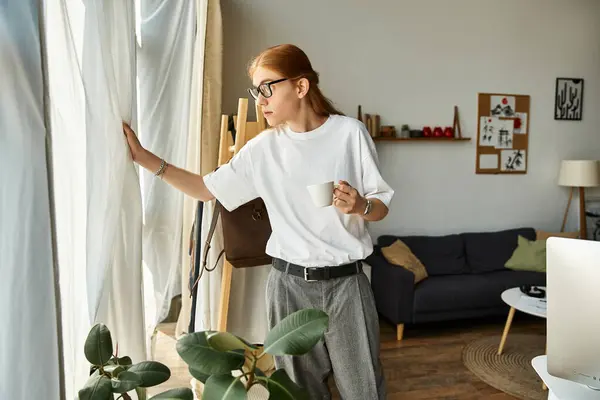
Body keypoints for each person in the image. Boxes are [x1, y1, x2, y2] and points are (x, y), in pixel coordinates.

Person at [123, 43, 394, 400]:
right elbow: (207, 189)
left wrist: (360, 205)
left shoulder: (349, 134)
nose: (260, 99)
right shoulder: (263, 149)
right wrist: (145, 159)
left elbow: (381, 207)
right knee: (299, 393)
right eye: (256, 90)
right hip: (288, 286)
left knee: (365, 390)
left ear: (301, 87)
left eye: (268, 87)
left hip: (347, 286)